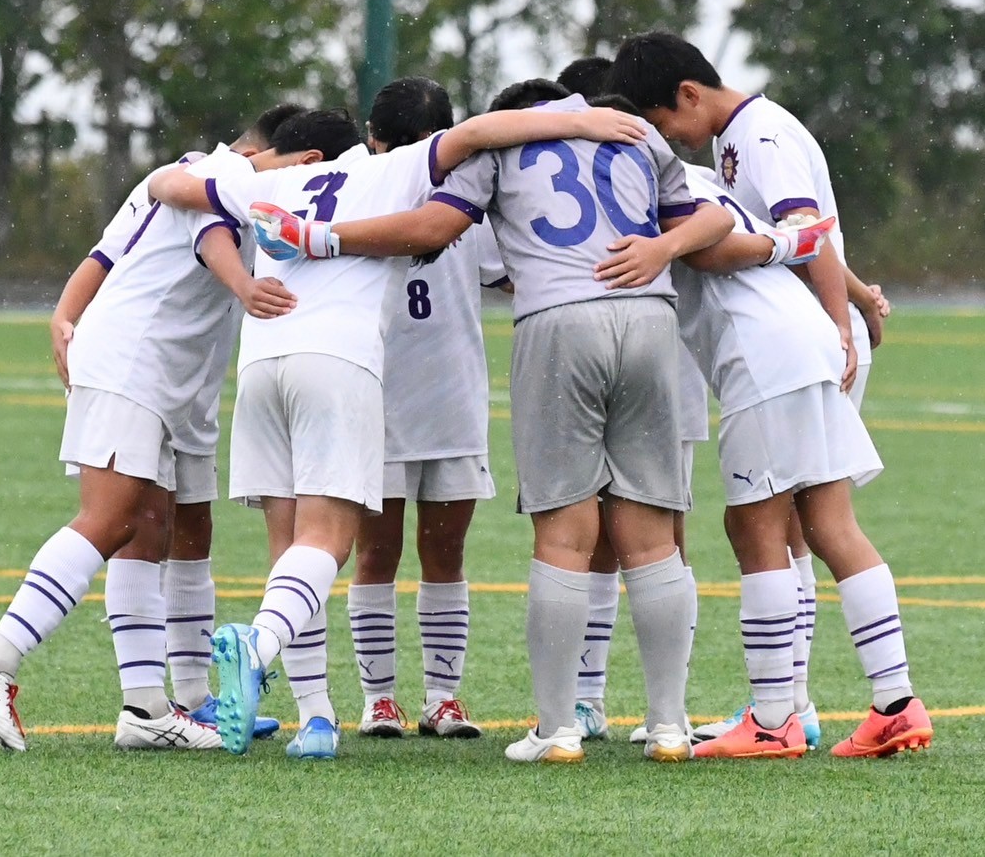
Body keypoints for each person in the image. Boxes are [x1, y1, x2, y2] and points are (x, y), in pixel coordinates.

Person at [146, 97, 654, 759]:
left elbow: (170, 186)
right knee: (328, 542)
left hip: (263, 366)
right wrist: (578, 119)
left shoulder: (271, 183)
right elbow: (478, 131)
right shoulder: (384, 173)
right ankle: (261, 644)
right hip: (338, 364)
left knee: (290, 544)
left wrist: (239, 222)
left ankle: (316, 719)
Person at [259, 81, 739, 764]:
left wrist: (319, 237)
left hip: (559, 321)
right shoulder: (631, 132)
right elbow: (711, 219)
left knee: (565, 534)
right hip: (649, 316)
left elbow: (432, 230)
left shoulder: (502, 144)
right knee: (653, 535)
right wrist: (662, 250)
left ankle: (557, 729)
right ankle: (667, 726)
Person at [0, 106, 345, 753]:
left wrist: (64, 314)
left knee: (166, 529)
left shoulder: (197, 170)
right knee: (111, 518)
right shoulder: (227, 175)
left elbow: (105, 252)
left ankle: (153, 707)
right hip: (136, 361)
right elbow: (209, 235)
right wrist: (244, 286)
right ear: (306, 161)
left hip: (177, 377)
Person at [608, 31, 893, 746]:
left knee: (759, 526)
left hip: (783, 351)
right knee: (817, 526)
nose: (667, 139)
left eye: (662, 122)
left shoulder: (754, 136)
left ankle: (775, 718)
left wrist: (840, 319)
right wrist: (854, 299)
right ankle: (882, 704)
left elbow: (799, 230)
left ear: (687, 95)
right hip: (809, 339)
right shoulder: (725, 151)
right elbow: (788, 234)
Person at [342, 78, 507, 742]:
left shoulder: (469, 204)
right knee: (375, 554)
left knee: (445, 553)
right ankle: (378, 699)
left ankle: (443, 697)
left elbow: (511, 271)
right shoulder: (356, 191)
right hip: (376, 396)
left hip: (452, 396)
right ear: (372, 141)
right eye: (400, 145)